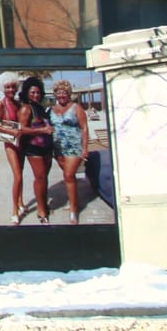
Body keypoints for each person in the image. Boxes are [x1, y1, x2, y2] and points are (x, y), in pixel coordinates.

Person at [15, 76, 56, 224]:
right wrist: (44, 130)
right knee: (40, 178)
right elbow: (22, 129)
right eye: (32, 92)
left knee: (44, 178)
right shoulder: (26, 108)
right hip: (34, 149)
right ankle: (41, 210)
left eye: (38, 92)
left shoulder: (40, 107)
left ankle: (43, 204)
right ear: (26, 92)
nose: (36, 95)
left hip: (46, 148)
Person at [49, 79, 91, 224]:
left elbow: (84, 128)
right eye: (59, 93)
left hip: (74, 147)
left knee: (68, 175)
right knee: (69, 177)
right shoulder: (50, 110)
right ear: (55, 94)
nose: (62, 96)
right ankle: (74, 201)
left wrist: (85, 148)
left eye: (64, 93)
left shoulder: (76, 108)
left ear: (69, 94)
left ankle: (74, 210)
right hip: (58, 148)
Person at [0, 75, 27, 225]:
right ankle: (14, 211)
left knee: (21, 174)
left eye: (13, 87)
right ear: (3, 88)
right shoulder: (1, 105)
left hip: (21, 142)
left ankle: (21, 202)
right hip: (10, 143)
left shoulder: (18, 104)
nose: (10, 89)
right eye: (7, 87)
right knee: (17, 175)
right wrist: (11, 132)